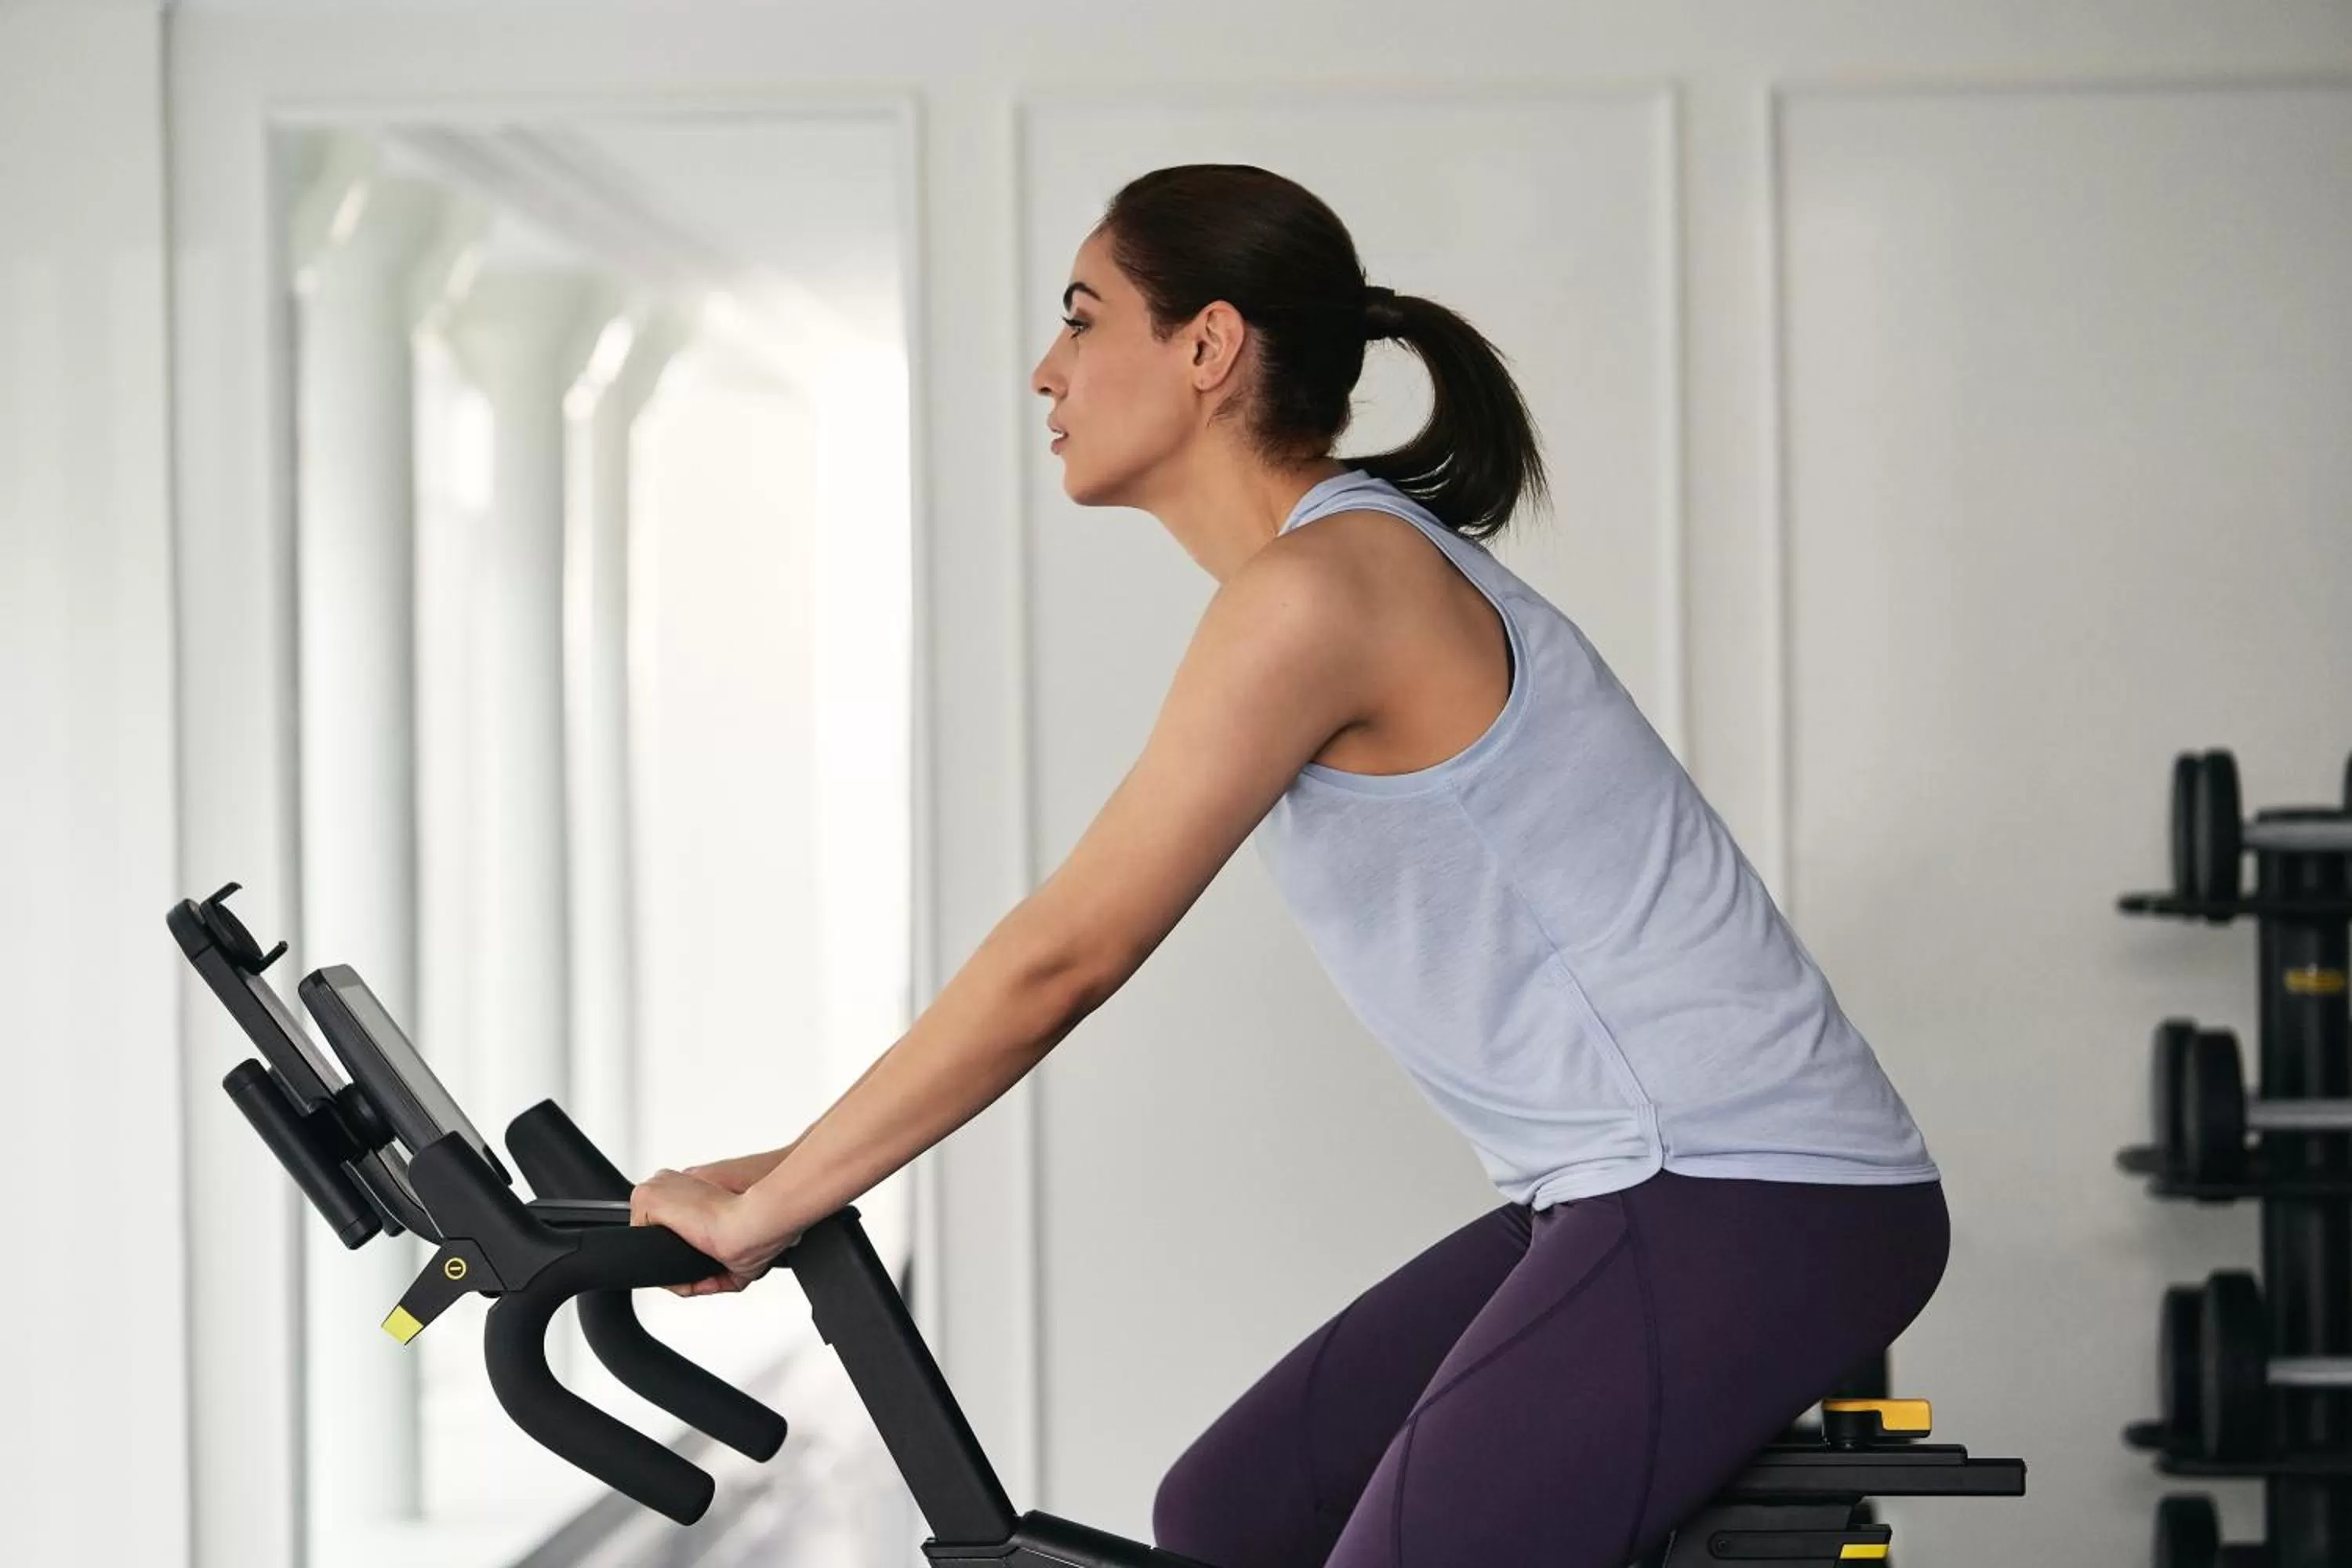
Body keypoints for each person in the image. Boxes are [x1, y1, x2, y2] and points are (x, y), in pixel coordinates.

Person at [630, 163, 1948, 1568]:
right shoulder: (1329, 575)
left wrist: (776, 1207)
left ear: (1205, 348)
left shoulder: (1322, 593)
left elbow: (1070, 952)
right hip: (1636, 1185)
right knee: (1239, 1515)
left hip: (1743, 1191)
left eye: (1082, 320)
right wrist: (793, 1169)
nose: (1044, 367)